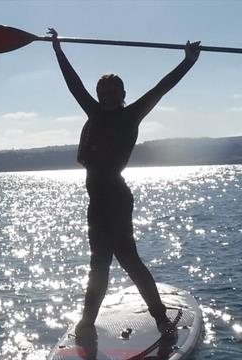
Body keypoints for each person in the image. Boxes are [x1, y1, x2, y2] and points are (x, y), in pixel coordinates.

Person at [48, 27, 200, 340]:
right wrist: (58, 49)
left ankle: (159, 320)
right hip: (97, 203)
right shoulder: (94, 112)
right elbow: (73, 85)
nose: (106, 98)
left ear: (122, 96)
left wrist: (188, 61)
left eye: (113, 94)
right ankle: (87, 323)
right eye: (102, 94)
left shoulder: (131, 116)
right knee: (98, 265)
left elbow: (162, 87)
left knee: (129, 261)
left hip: (116, 200)